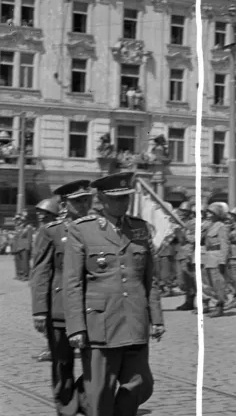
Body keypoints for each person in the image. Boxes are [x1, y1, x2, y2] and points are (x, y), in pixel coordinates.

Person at [63, 172, 165, 416]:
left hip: (135, 320)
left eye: (125, 198)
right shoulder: (82, 230)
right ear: (101, 200)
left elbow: (149, 278)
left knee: (141, 384)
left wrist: (157, 318)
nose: (122, 203)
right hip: (101, 323)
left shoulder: (139, 229)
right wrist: (76, 327)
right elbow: (73, 282)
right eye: (116, 199)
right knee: (100, 391)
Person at [31, 180, 93, 416]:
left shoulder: (98, 228)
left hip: (91, 307)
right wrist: (39, 310)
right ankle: (66, 408)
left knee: (96, 364)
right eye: (79, 201)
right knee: (63, 363)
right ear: (65, 203)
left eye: (87, 199)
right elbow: (41, 271)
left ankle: (87, 403)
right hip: (60, 309)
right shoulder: (52, 231)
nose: (85, 205)